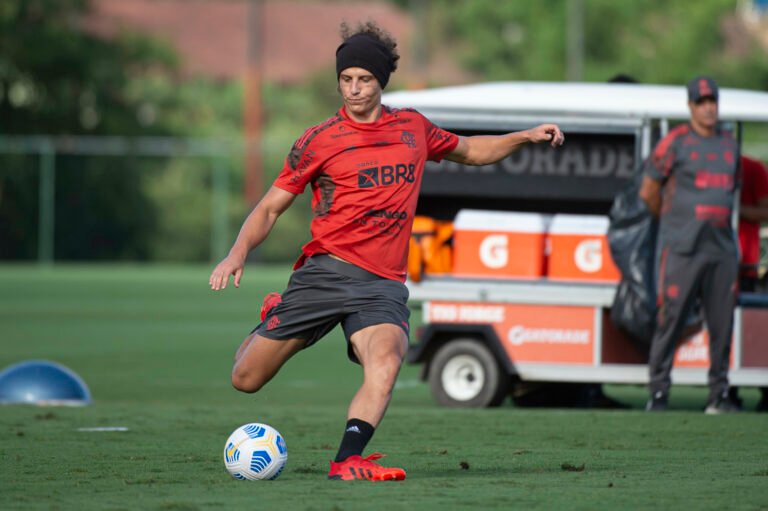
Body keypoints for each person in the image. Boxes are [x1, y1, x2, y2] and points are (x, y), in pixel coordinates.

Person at [208, 21, 564, 481]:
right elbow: (270, 207)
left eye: (364, 80)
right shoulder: (318, 140)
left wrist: (524, 136)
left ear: (381, 82)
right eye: (346, 79)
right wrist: (237, 252)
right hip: (325, 274)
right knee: (246, 379)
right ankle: (275, 312)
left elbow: (473, 150)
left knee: (388, 361)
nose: (354, 90)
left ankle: (347, 459)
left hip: (381, 286)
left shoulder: (413, 129)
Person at [639, 76, 741, 414]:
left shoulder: (730, 144)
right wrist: (673, 224)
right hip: (683, 248)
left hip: (722, 249)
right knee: (671, 321)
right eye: (701, 102)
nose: (708, 107)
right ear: (690, 106)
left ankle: (719, 396)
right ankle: (658, 393)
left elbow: (733, 190)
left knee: (723, 326)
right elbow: (648, 192)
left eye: (712, 100)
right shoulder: (675, 142)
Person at [735, 155, 768, 411]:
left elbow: (765, 210)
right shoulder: (695, 162)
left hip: (744, 265)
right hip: (706, 264)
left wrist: (733, 208)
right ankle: (724, 391)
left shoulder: (752, 168)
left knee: (751, 330)